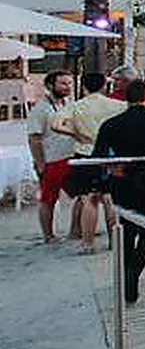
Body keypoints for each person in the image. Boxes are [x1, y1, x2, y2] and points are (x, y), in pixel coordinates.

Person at [91, 77, 145, 304]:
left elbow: (98, 156)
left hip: (121, 182)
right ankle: (135, 270)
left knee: (127, 229)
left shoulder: (112, 124)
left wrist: (109, 172)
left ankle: (127, 274)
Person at [53, 71, 126, 250]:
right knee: (110, 199)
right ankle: (113, 242)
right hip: (109, 154)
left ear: (83, 86)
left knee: (88, 198)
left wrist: (75, 133)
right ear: (103, 86)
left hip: (84, 154)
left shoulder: (76, 106)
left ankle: (88, 243)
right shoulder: (117, 105)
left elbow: (55, 124)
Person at [26, 71, 76, 245]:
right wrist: (40, 164)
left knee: (81, 195)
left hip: (70, 157)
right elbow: (34, 138)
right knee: (49, 199)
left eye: (69, 83)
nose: (67, 87)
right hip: (52, 160)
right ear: (50, 86)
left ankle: (75, 230)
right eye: (63, 84)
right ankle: (48, 235)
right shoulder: (41, 109)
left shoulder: (68, 104)